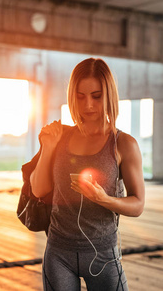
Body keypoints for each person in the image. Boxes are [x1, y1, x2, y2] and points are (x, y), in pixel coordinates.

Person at [30, 58, 145, 291]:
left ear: (109, 95)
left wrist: (104, 199)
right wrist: (49, 148)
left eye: (96, 95)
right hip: (58, 253)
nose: (88, 105)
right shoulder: (59, 136)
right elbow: (38, 190)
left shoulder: (123, 144)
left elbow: (138, 204)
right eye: (80, 96)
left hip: (103, 255)